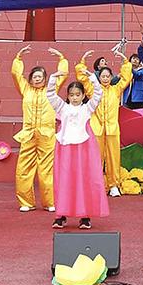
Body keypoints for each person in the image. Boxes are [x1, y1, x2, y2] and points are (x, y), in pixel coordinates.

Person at [46, 68, 108, 229]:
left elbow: (98, 94)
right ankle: (61, 215)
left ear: (82, 95)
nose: (74, 98)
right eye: (71, 95)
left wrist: (93, 79)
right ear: (67, 96)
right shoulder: (62, 108)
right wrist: (53, 78)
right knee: (64, 180)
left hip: (84, 150)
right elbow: (50, 94)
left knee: (84, 179)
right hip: (65, 149)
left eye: (77, 94)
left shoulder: (87, 108)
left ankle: (85, 216)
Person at [12, 45, 67, 212]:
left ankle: (49, 201)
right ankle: (26, 202)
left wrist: (61, 59)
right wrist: (18, 58)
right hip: (28, 133)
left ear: (45, 78)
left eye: (40, 76)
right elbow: (16, 75)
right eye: (34, 76)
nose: (37, 79)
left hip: (47, 133)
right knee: (23, 168)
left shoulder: (51, 89)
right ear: (30, 78)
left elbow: (62, 75)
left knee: (47, 169)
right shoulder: (25, 89)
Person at [76, 51, 131, 197]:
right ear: (99, 78)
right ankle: (96, 185)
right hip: (97, 129)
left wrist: (125, 62)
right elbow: (82, 77)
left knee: (114, 157)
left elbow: (126, 78)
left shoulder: (116, 90)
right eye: (103, 76)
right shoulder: (93, 90)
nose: (105, 78)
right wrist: (83, 60)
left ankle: (113, 185)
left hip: (112, 129)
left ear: (111, 78)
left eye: (108, 76)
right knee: (96, 158)